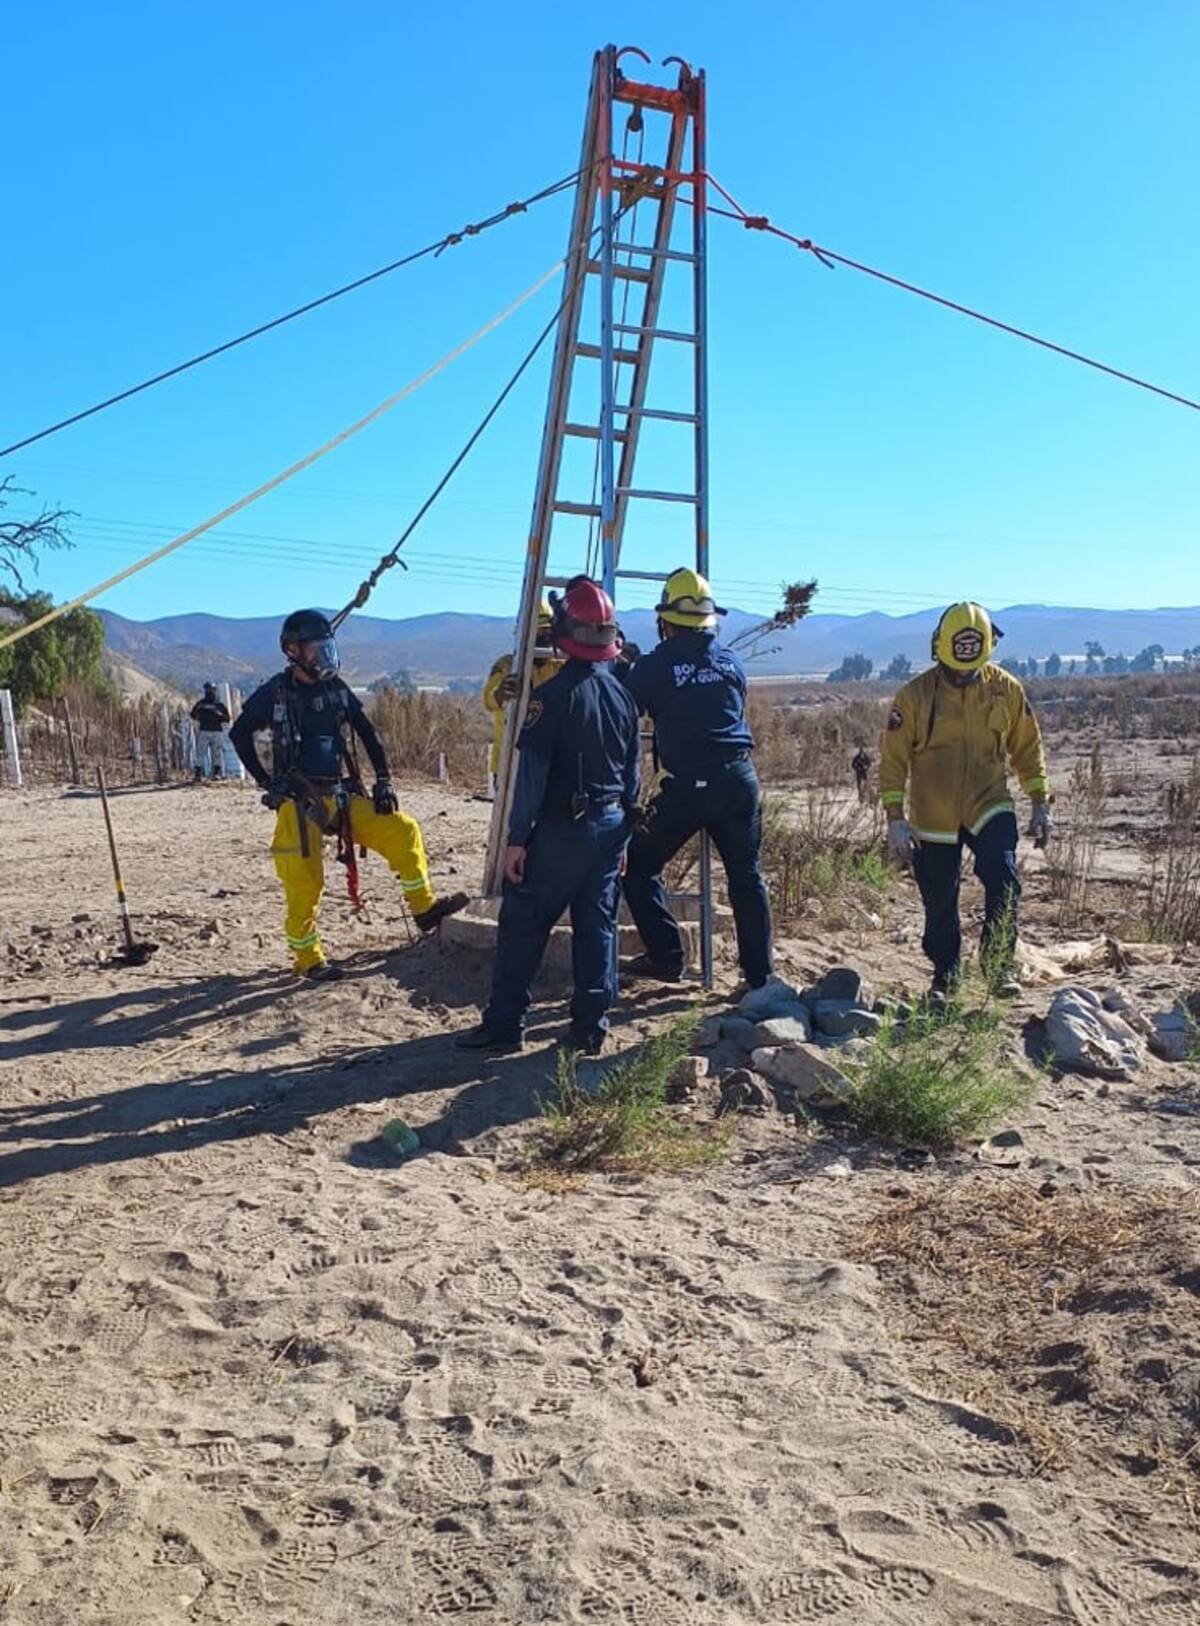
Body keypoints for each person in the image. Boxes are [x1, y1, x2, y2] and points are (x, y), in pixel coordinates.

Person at [230, 609, 467, 983]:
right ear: (292, 651)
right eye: (314, 650)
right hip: (298, 800)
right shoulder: (275, 692)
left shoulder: (335, 689)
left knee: (402, 830)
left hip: (340, 794)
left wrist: (384, 781)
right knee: (304, 882)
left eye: (327, 647)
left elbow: (368, 734)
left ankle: (424, 910)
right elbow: (239, 733)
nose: (323, 656)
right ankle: (309, 960)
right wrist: (266, 781)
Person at [456, 577, 640, 1056]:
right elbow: (633, 774)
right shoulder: (622, 696)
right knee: (597, 929)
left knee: (523, 924)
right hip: (610, 827)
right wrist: (624, 839)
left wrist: (517, 839)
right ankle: (589, 1030)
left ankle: (505, 1025)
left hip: (561, 830)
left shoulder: (551, 698)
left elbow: (531, 777)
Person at [880, 601, 1052, 999]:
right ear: (939, 649)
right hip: (932, 812)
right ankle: (946, 975)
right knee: (939, 897)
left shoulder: (1005, 689)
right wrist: (895, 817)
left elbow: (1028, 746)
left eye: (970, 668)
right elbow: (893, 760)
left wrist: (1041, 800)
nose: (961, 675)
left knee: (1004, 877)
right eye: (954, 668)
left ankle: (998, 968)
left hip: (988, 802)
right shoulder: (914, 697)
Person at [619, 567, 773, 991]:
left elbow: (625, 705)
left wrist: (624, 667)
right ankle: (759, 978)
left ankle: (667, 956)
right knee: (747, 876)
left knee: (638, 865)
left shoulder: (656, 665)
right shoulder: (730, 660)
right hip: (740, 779)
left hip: (689, 786)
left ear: (665, 621)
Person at [482, 599, 563, 793]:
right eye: (540, 633)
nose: (545, 639)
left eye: (548, 633)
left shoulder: (559, 665)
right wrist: (501, 693)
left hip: (549, 760)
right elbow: (489, 700)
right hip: (509, 761)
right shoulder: (507, 666)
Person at [190, 682, 231, 781]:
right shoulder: (201, 704)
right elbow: (192, 714)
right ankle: (198, 774)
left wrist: (219, 716)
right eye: (208, 690)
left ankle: (216, 774)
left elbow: (227, 718)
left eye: (211, 690)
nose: (209, 692)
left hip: (216, 731)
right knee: (200, 753)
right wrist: (200, 718)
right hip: (204, 731)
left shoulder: (219, 705)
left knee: (216, 753)